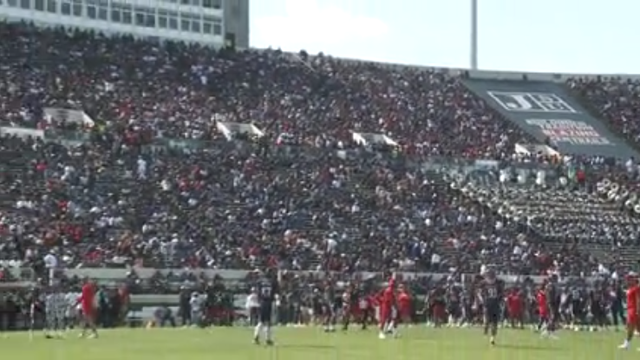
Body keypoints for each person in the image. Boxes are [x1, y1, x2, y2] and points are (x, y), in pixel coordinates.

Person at [253, 270, 278, 346]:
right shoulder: (273, 282)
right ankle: (267, 339)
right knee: (267, 322)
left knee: (261, 321)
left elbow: (257, 292)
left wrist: (258, 301)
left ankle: (256, 336)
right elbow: (275, 292)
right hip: (269, 302)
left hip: (262, 302)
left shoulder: (260, 281)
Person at [480, 269, 503, 345]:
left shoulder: (499, 283)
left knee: (494, 323)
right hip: (487, 304)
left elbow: (501, 294)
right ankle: (486, 328)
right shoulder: (483, 283)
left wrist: (500, 299)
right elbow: (479, 292)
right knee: (487, 321)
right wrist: (481, 299)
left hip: (495, 304)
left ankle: (492, 338)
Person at [618, 273, 640, 350]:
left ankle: (626, 344)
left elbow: (638, 300)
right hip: (630, 309)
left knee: (630, 327)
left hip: (634, 310)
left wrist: (638, 310)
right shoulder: (630, 288)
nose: (627, 281)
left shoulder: (636, 288)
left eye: (629, 279)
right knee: (633, 328)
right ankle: (627, 344)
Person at [378, 273, 396, 339]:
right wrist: (393, 305)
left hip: (388, 305)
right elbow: (390, 300)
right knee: (384, 319)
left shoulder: (390, 290)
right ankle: (381, 332)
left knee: (390, 318)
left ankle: (388, 330)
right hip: (386, 305)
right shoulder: (389, 290)